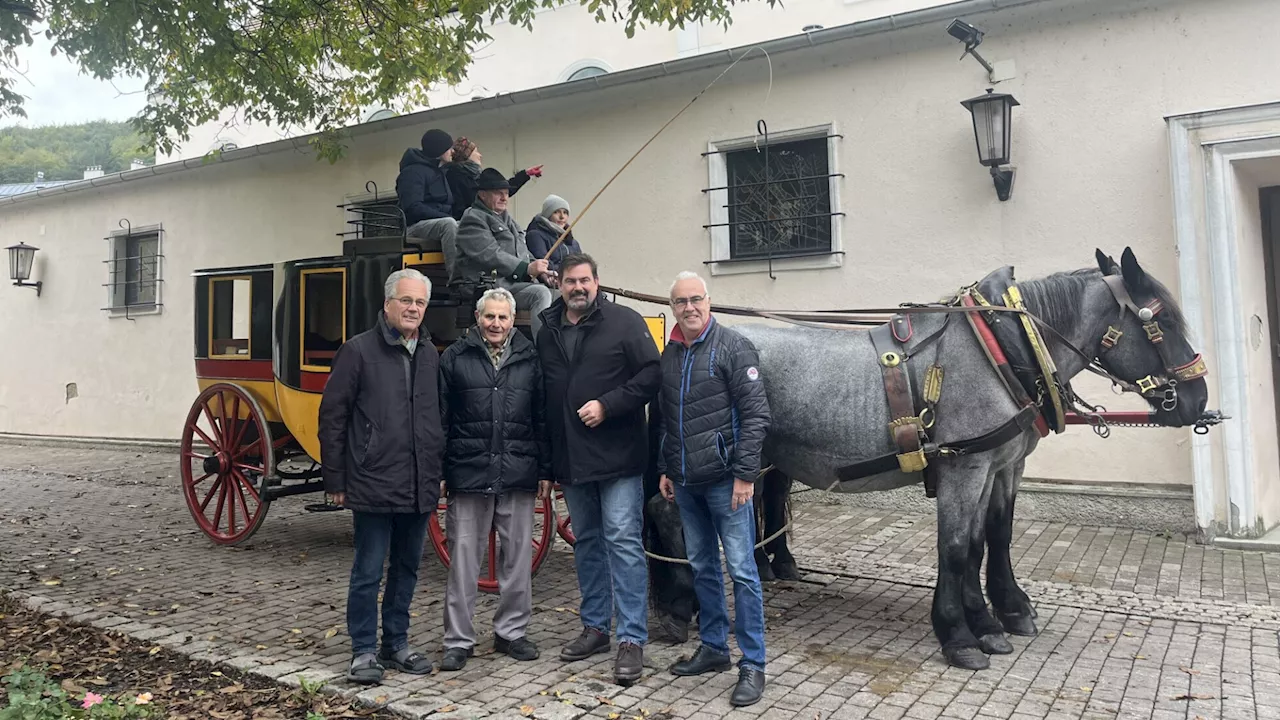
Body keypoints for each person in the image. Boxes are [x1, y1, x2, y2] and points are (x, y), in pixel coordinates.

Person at [536, 253, 662, 684]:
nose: (578, 288)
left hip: (619, 456)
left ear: (597, 282)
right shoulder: (547, 329)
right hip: (571, 459)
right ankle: (595, 628)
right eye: (571, 281)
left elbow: (651, 375)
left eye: (585, 281)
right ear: (560, 284)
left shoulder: (624, 322)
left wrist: (609, 405)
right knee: (587, 543)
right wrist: (548, 464)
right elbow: (546, 400)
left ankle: (631, 638)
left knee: (623, 542)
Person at [318, 268, 444, 685]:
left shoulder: (429, 354)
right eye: (405, 301)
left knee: (407, 569)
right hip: (373, 479)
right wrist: (336, 478)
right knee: (368, 571)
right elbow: (333, 416)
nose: (412, 309)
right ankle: (363, 651)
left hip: (418, 483)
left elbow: (435, 418)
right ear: (388, 304)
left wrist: (437, 471)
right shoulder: (358, 351)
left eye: (419, 303)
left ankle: (396, 643)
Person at [657, 270, 770, 708]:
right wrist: (667, 468)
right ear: (673, 308)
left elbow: (756, 414)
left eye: (696, 299)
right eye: (681, 301)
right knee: (703, 567)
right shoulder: (670, 353)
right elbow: (667, 419)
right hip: (685, 483)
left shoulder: (733, 347)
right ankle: (714, 648)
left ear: (709, 301)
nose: (689, 307)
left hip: (727, 482)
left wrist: (745, 474)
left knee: (742, 571)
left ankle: (754, 663)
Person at [438, 287, 551, 671]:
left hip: (518, 470)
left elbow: (541, 419)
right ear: (478, 317)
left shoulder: (529, 358)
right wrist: (441, 470)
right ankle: (458, 639)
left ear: (513, 319)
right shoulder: (455, 357)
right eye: (490, 317)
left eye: (503, 317)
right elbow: (441, 420)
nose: (496, 324)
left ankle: (511, 632)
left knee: (517, 559)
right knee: (463, 560)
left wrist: (545, 470)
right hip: (468, 471)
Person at [454, 168, 555, 337]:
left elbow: (522, 251)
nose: (504, 198)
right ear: (482, 194)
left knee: (562, 294)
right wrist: (527, 269)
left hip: (512, 285)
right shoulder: (472, 219)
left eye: (507, 193)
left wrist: (542, 273)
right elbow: (490, 254)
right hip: (488, 286)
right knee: (541, 293)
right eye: (498, 193)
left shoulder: (507, 218)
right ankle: (544, 350)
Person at [446, 136, 544, 221]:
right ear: (466, 155)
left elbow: (499, 189)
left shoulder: (474, 174)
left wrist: (525, 174)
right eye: (476, 151)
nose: (480, 155)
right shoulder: (456, 176)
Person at [395, 128, 459, 251]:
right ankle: (456, 270)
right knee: (449, 224)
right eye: (449, 148)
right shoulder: (412, 172)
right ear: (439, 150)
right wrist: (444, 216)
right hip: (415, 226)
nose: (452, 151)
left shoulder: (440, 171)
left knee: (472, 225)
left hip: (438, 223)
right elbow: (413, 207)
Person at [524, 195, 584, 275]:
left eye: (565, 213)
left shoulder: (572, 241)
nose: (562, 217)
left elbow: (582, 265)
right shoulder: (535, 235)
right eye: (556, 212)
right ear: (547, 215)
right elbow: (544, 264)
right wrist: (571, 270)